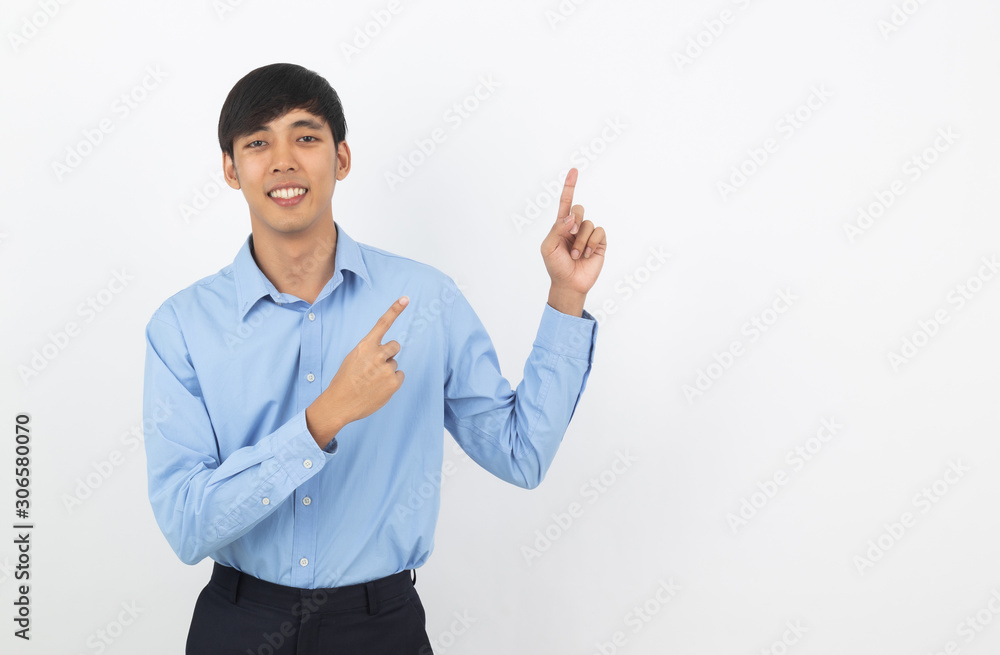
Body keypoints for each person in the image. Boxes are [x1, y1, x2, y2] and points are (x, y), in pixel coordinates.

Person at [142, 62, 607, 655]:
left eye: (305, 137)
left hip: (380, 630)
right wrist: (324, 417)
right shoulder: (182, 325)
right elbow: (187, 526)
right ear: (231, 169)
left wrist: (566, 296)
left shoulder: (426, 300)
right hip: (238, 626)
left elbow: (522, 456)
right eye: (258, 142)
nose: (283, 161)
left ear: (341, 158)